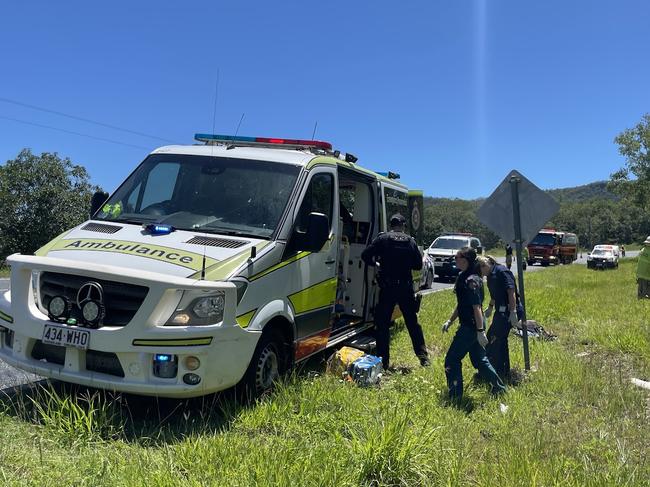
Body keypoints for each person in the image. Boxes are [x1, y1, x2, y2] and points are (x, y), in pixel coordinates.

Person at [361, 213, 430, 369]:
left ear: (391, 225)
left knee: (383, 324)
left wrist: (377, 264)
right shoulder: (410, 241)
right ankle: (423, 358)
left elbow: (365, 255)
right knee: (412, 324)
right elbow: (418, 266)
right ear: (403, 226)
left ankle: (383, 362)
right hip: (405, 288)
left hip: (387, 287)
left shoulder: (382, 239)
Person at [441, 247, 506, 403]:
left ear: (466, 260)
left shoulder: (472, 280)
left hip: (472, 326)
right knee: (479, 359)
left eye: (458, 257)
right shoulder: (464, 276)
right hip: (473, 324)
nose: (455, 259)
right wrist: (450, 320)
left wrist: (480, 331)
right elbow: (462, 304)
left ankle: (455, 397)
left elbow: (476, 307)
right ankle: (499, 389)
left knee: (452, 360)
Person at [477, 255, 523, 381]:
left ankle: (491, 373)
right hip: (500, 310)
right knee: (500, 340)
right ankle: (503, 371)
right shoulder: (490, 276)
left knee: (493, 338)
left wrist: (513, 311)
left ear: (485, 265)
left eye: (479, 270)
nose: (480, 274)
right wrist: (491, 307)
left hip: (509, 310)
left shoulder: (502, 271)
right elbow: (494, 294)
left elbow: (511, 292)